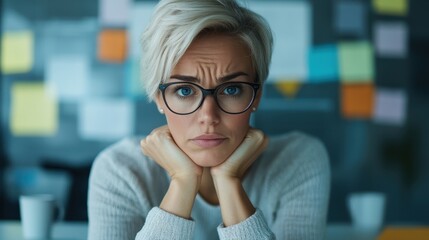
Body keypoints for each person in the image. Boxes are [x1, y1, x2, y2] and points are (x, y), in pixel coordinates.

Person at [88, 0, 330, 239]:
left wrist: (228, 180)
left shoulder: (298, 161)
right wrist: (183, 181)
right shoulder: (121, 171)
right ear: (159, 98)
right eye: (184, 90)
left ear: (257, 96)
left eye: (232, 89)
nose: (208, 117)